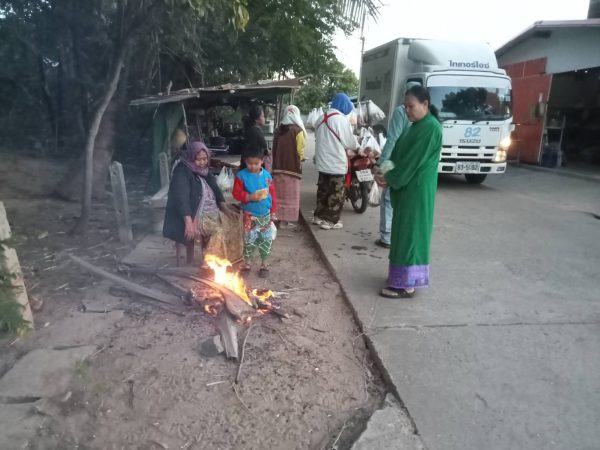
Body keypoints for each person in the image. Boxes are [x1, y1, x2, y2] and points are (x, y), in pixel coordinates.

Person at [376, 85, 443, 298]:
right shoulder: (416, 125)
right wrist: (385, 170)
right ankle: (399, 278)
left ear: (425, 104)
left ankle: (407, 285)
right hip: (407, 189)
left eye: (411, 106)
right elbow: (399, 152)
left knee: (411, 234)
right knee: (402, 232)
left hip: (416, 191)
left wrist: (390, 178)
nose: (407, 111)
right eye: (405, 106)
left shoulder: (430, 128)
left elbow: (412, 161)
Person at [163, 141, 241, 266]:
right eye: (198, 159)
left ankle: (230, 259)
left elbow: (215, 189)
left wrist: (225, 207)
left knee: (234, 221)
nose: (202, 162)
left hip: (210, 212)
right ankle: (210, 263)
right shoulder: (182, 172)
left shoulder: (203, 170)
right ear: (191, 157)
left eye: (205, 159)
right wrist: (188, 222)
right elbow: (181, 199)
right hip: (193, 215)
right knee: (218, 231)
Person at [375, 81, 420, 249]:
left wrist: (381, 163)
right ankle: (401, 235)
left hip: (397, 161)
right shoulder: (425, 117)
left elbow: (392, 139)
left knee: (388, 198)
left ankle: (387, 237)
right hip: (413, 164)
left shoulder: (401, 111)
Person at [313, 92, 359, 230]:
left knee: (323, 190)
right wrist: (358, 146)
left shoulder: (320, 118)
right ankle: (330, 220)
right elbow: (350, 143)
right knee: (336, 193)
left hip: (322, 162)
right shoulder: (340, 119)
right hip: (336, 164)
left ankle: (318, 217)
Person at [232, 146, 277, 278]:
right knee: (249, 240)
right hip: (249, 215)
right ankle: (247, 263)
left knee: (265, 240)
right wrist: (249, 197)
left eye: (256, 163)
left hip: (265, 214)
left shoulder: (267, 176)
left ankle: (264, 264)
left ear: (262, 161)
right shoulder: (241, 176)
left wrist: (273, 211)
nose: (253, 166)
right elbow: (236, 193)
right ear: (245, 161)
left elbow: (273, 195)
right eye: (249, 163)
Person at [271, 105, 306, 228]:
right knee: (290, 197)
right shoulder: (298, 131)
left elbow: (274, 148)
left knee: (278, 195)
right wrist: (301, 159)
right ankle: (286, 221)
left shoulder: (278, 130)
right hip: (292, 169)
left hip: (277, 168)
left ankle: (278, 218)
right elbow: (300, 151)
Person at [240, 104, 268, 171]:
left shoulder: (250, 130)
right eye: (262, 116)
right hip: (253, 166)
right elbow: (264, 148)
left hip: (248, 164)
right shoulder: (255, 132)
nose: (264, 118)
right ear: (256, 120)